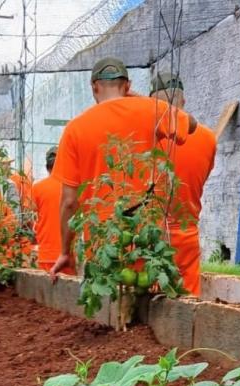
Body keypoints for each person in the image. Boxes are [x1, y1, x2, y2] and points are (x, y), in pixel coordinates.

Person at [49, 57, 196, 277]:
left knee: (107, 301)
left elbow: (69, 202)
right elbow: (191, 124)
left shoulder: (75, 128)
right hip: (146, 235)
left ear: (94, 87)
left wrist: (65, 252)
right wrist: (140, 99)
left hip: (102, 238)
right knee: (146, 299)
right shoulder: (152, 111)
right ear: (127, 86)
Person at [150, 72, 217, 296]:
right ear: (184, 101)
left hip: (151, 236)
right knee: (188, 307)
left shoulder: (148, 135)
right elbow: (203, 176)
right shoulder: (208, 138)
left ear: (152, 103)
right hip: (188, 234)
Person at [31, 147, 74, 275]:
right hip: (67, 253)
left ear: (47, 166)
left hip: (46, 252)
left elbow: (33, 217)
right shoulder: (72, 189)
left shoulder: (37, 188)